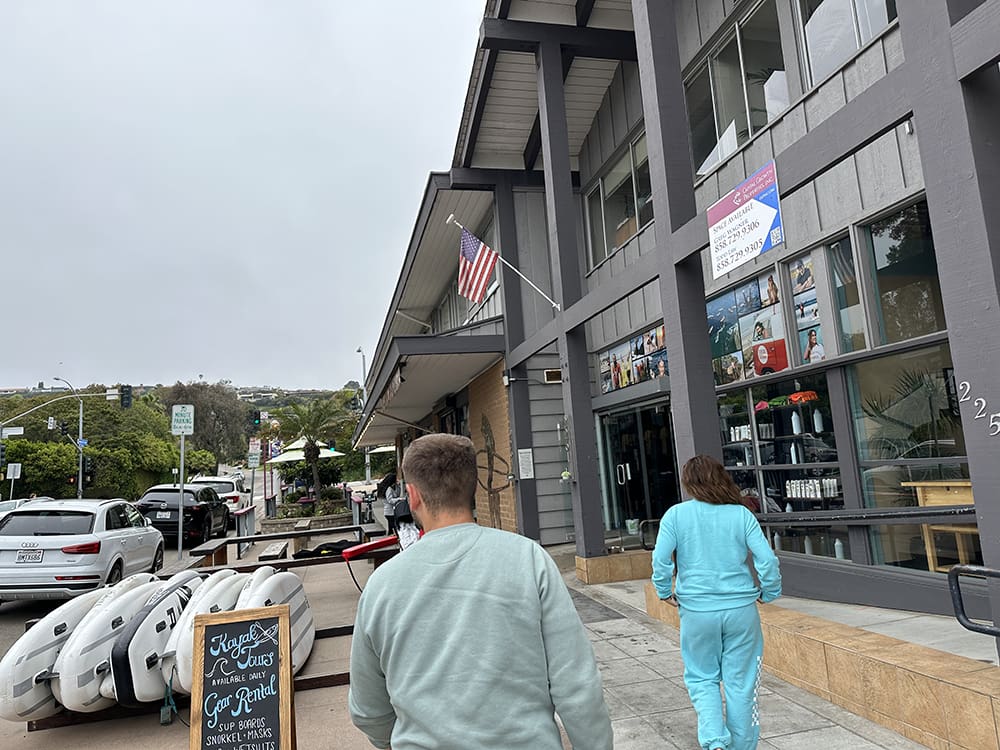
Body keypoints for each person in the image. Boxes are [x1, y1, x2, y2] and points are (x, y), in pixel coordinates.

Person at [349, 434, 612, 750]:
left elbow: (367, 709)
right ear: (474, 488)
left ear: (412, 495)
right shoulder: (528, 559)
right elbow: (577, 685)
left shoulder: (381, 585)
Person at [652, 455, 781, 750]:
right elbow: (766, 559)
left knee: (701, 678)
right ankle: (742, 746)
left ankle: (715, 742)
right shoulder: (741, 515)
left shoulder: (675, 515)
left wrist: (663, 590)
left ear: (688, 483)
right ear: (720, 478)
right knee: (742, 683)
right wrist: (770, 591)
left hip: (696, 612)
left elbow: (660, 559)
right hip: (741, 611)